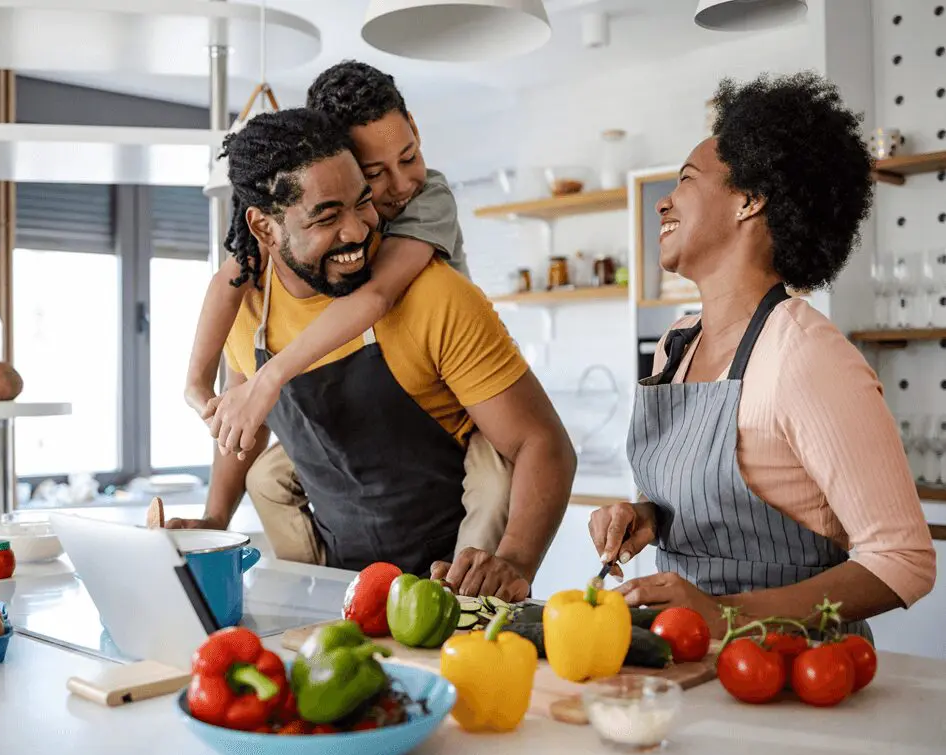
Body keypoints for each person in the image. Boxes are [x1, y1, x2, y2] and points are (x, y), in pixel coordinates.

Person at [169, 108, 575, 601]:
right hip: (340, 584)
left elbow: (544, 444)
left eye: (362, 203)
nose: (358, 232)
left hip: (452, 581)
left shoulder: (435, 296)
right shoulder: (245, 303)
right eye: (326, 216)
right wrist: (214, 520)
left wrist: (513, 561)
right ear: (264, 228)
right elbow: (242, 423)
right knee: (266, 477)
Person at [589, 73, 936, 638]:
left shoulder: (806, 356)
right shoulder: (675, 347)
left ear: (750, 202)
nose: (664, 204)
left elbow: (904, 560)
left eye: (685, 181)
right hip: (684, 661)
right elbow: (710, 502)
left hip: (794, 670)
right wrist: (646, 516)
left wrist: (729, 615)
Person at [184, 61, 513, 564]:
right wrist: (196, 384)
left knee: (494, 486)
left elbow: (376, 298)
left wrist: (269, 380)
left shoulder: (428, 201)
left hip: (462, 414)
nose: (400, 185)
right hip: (357, 451)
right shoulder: (270, 263)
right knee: (266, 478)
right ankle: (313, 584)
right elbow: (233, 270)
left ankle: (471, 589)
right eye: (374, 174)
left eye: (409, 157)